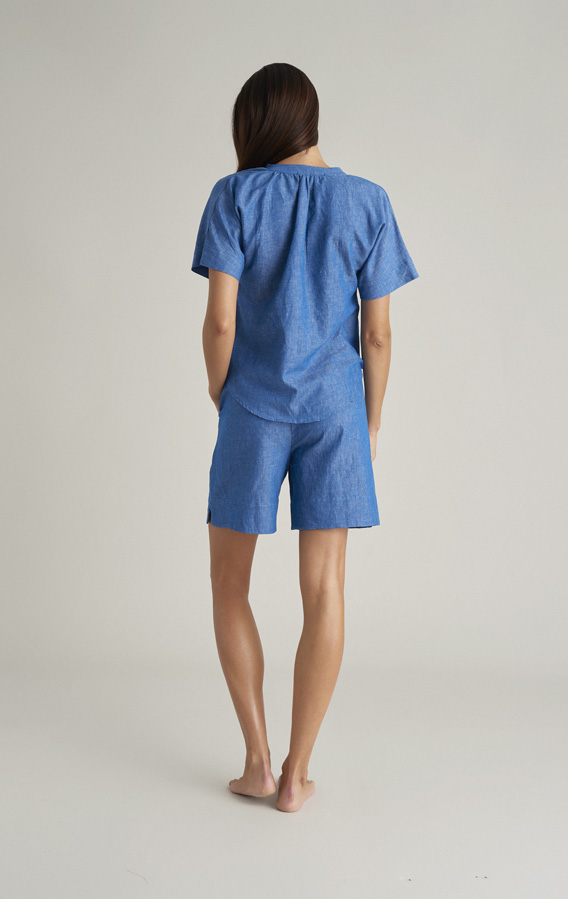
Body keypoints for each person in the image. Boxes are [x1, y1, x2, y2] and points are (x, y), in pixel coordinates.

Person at [190, 63, 419, 813]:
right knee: (325, 590)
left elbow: (221, 321)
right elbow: (378, 335)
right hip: (336, 411)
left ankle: (256, 761)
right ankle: (296, 774)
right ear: (310, 118)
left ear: (254, 123)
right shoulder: (368, 201)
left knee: (229, 583)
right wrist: (370, 418)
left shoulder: (234, 196)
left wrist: (224, 392)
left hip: (253, 408)